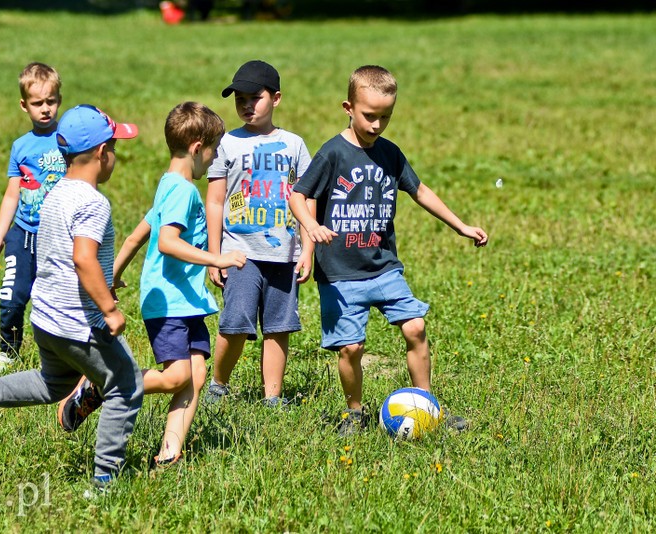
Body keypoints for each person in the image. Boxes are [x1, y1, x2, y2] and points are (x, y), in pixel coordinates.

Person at [0, 104, 144, 490]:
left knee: (53, 384)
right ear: (102, 153)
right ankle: (104, 482)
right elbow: (83, 259)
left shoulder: (55, 194)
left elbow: (64, 258)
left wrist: (102, 282)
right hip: (79, 323)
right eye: (115, 146)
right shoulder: (93, 202)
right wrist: (109, 307)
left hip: (46, 319)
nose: (116, 155)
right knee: (126, 385)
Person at [288, 65, 488, 435]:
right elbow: (299, 193)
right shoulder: (332, 153)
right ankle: (354, 413)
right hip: (340, 273)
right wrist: (311, 229)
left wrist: (460, 225)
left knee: (415, 327)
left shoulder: (389, 153)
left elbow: (420, 190)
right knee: (351, 348)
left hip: (383, 267)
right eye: (370, 116)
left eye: (386, 117)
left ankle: (428, 408)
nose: (377, 125)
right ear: (348, 107)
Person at [58, 102, 246, 466]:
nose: (214, 158)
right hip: (170, 301)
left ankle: (169, 453)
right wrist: (217, 258)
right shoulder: (184, 192)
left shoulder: (170, 183)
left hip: (186, 300)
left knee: (196, 373)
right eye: (213, 150)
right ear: (196, 147)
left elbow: (136, 237)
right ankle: (101, 388)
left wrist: (112, 274)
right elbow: (166, 242)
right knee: (177, 376)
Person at [204, 60, 313, 407]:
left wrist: (307, 250)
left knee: (279, 326)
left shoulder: (294, 144)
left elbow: (306, 200)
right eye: (240, 99)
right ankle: (218, 385)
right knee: (235, 321)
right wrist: (213, 255)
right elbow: (216, 201)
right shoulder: (226, 144)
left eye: (256, 97)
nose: (247, 105)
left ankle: (272, 397)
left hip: (285, 253)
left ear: (276, 98)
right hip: (239, 253)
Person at [0, 62, 67, 375]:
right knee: (12, 297)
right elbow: (11, 195)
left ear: (59, 99)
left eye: (51, 101)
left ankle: (60, 358)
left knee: (54, 300)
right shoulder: (21, 146)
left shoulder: (68, 139)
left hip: (57, 236)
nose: (45, 109)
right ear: (24, 105)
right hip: (22, 234)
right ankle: (7, 354)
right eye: (37, 103)